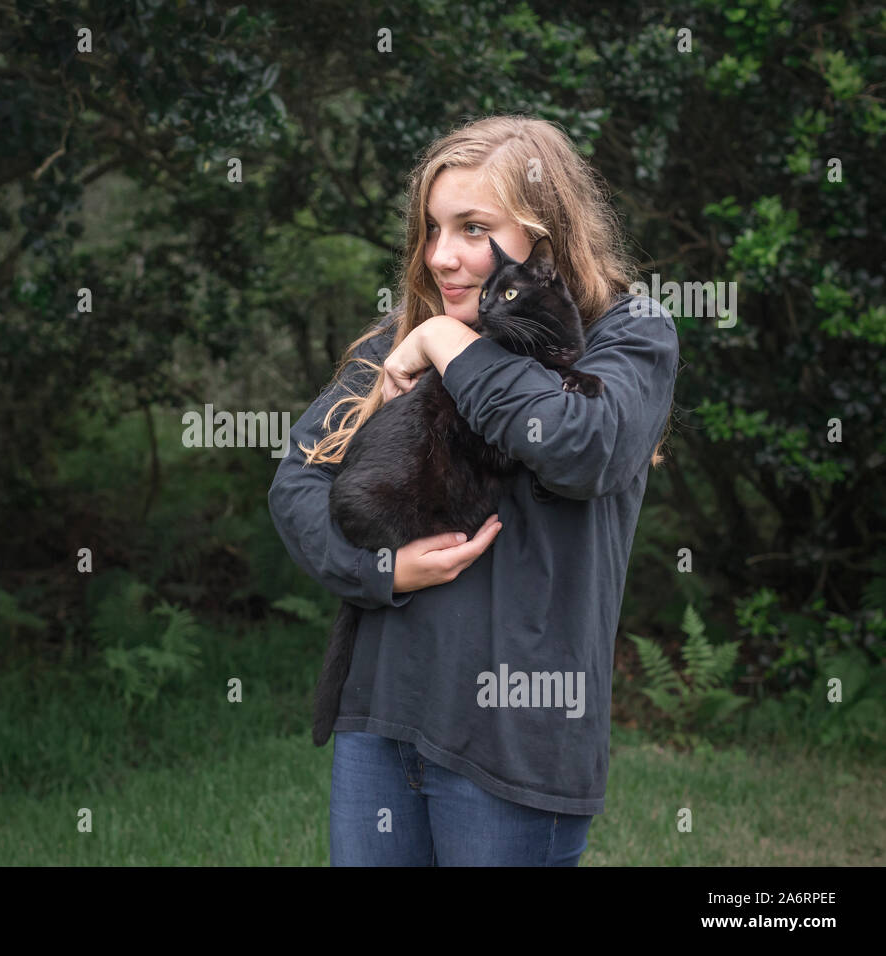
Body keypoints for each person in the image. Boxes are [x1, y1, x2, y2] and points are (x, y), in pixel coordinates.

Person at [267, 115, 679, 866]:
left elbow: (578, 447)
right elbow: (297, 480)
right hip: (383, 718)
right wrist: (378, 571)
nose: (441, 255)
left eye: (471, 227)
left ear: (542, 239)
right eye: (432, 227)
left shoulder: (631, 334)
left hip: (515, 740)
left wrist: (449, 347)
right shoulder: (400, 334)